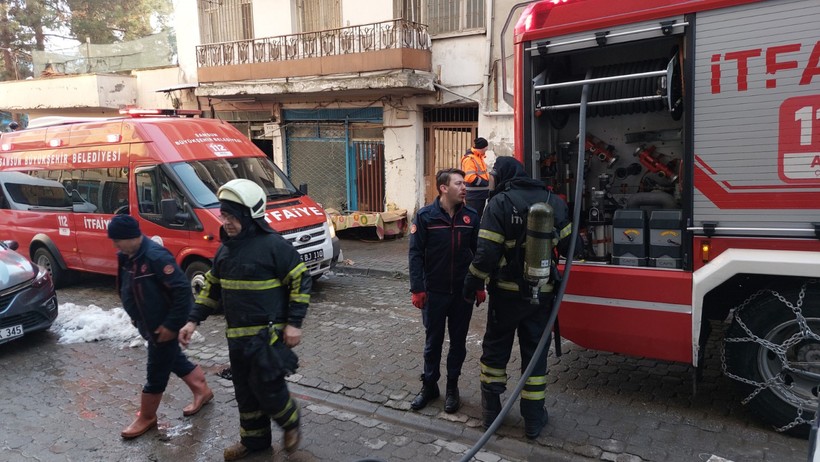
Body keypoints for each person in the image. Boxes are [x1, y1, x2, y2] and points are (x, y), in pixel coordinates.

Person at [178, 179, 311, 461]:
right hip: (238, 340)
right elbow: (211, 287)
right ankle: (255, 443)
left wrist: (294, 323)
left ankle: (291, 423)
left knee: (268, 389)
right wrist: (192, 321)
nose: (225, 222)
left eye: (231, 216)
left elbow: (301, 279)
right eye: (223, 215)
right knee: (246, 393)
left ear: (250, 215)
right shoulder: (226, 250)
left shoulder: (274, 246)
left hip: (268, 337)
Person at [462, 156, 577, 439]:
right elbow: (573, 246)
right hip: (543, 295)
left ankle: (491, 413)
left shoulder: (500, 203)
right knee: (536, 355)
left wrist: (471, 281)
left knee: (495, 350)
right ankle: (534, 419)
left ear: (503, 175)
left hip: (506, 295)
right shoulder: (554, 200)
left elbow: (486, 253)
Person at [108, 214, 214, 440]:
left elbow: (182, 291)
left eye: (117, 239)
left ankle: (147, 416)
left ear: (130, 237)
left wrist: (172, 325)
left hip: (163, 326)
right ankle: (202, 390)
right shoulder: (126, 256)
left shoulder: (155, 256)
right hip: (147, 323)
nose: (114, 244)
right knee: (172, 357)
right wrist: (135, 315)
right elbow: (126, 286)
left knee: (156, 371)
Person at [408, 168, 484, 413]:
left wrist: (479, 285)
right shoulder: (425, 217)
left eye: (464, 184)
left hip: (462, 293)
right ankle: (430, 386)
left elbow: (478, 254)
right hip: (435, 293)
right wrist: (418, 289)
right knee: (433, 342)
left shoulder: (471, 216)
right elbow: (415, 254)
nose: (465, 188)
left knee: (458, 343)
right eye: (459, 184)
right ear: (443, 188)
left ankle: (452, 388)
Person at [461, 137, 491, 217]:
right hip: (474, 195)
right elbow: (470, 177)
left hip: (479, 194)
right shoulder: (470, 159)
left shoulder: (478, 157)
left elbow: (482, 174)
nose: (486, 150)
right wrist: (485, 183)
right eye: (486, 148)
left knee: (477, 217)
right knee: (473, 217)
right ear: (482, 148)